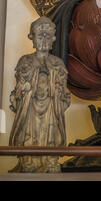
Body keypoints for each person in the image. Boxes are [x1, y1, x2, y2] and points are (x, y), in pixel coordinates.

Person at [9, 17, 70, 173]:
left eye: (47, 36)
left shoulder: (57, 63)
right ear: (32, 38)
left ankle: (50, 160)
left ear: (53, 39)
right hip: (30, 106)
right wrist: (27, 85)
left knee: (51, 132)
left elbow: (62, 89)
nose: (44, 39)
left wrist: (54, 86)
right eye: (40, 35)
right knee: (28, 133)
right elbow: (20, 86)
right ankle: (27, 160)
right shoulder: (25, 61)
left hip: (50, 106)